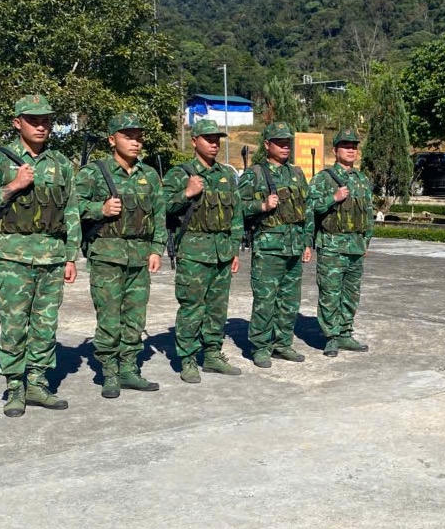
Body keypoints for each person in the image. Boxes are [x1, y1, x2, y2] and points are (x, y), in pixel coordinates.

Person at [0, 95, 80, 417]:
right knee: (14, 325)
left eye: (45, 120)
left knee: (45, 325)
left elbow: (71, 209)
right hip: (13, 256)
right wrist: (14, 186)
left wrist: (71, 256)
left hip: (52, 255)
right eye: (33, 120)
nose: (41, 126)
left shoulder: (61, 163)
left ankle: (37, 382)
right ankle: (15, 387)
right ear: (17, 123)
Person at [75, 112, 167, 398]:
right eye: (128, 137)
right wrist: (99, 210)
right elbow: (73, 208)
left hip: (139, 255)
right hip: (107, 255)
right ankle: (109, 372)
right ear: (112, 140)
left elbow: (159, 214)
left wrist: (157, 248)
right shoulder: (93, 172)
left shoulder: (149, 175)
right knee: (109, 318)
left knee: (135, 317)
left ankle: (129, 368)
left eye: (139, 137)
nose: (135, 142)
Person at [161, 118, 243, 383]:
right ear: (194, 141)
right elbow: (162, 208)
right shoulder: (179, 174)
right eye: (208, 139)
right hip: (193, 251)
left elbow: (236, 215)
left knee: (218, 308)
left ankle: (212, 354)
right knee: (192, 307)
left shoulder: (226, 174)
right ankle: (187, 359)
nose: (214, 143)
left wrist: (234, 249)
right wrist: (186, 193)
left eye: (217, 139)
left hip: (222, 251)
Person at [239, 121, 313, 367]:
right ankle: (260, 347)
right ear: (267, 145)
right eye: (279, 142)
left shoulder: (297, 174)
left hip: (294, 246)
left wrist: (307, 242)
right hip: (268, 248)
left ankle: (282, 344)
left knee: (290, 300)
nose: (285, 147)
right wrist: (261, 206)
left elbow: (307, 210)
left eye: (287, 142)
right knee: (265, 300)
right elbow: (237, 207)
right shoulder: (255, 174)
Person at [307, 128, 374, 357]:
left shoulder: (361, 180)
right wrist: (333, 198)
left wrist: (366, 241)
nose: (351, 150)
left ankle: (345, 333)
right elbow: (311, 209)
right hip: (332, 246)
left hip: (355, 246)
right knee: (330, 294)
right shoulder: (323, 179)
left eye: (354, 146)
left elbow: (368, 213)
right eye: (346, 146)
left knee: (351, 293)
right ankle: (332, 337)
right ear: (335, 150)